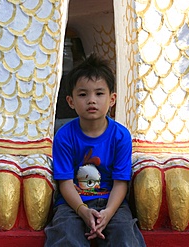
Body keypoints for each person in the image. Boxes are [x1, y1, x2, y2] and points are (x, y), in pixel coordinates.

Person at [44, 53, 146, 246]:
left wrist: (107, 213)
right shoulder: (64, 136)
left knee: (124, 236)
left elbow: (120, 183)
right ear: (71, 101)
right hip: (72, 203)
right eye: (83, 94)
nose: (92, 100)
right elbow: (65, 183)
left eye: (99, 93)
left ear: (112, 99)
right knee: (66, 235)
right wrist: (82, 210)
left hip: (111, 202)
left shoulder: (121, 136)